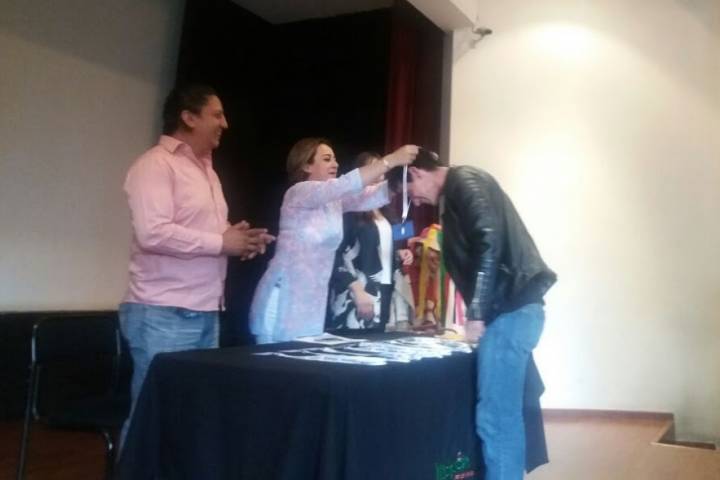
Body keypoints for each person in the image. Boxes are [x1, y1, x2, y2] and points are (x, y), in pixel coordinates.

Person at [119, 84, 274, 446]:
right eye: (216, 115)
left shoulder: (208, 171)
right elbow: (153, 233)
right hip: (163, 313)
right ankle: (133, 471)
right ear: (188, 117)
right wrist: (221, 242)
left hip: (204, 310)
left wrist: (238, 240)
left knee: (188, 420)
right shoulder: (155, 165)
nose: (225, 123)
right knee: (154, 419)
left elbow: (203, 232)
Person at [388, 150, 556, 480]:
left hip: (509, 313)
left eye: (411, 193)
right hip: (511, 312)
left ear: (417, 173)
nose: (416, 202)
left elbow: (488, 242)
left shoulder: (466, 182)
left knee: (497, 418)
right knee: (501, 415)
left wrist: (476, 313)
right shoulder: (458, 191)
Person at [249, 139, 417, 344]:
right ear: (306, 165)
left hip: (312, 303)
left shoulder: (334, 202)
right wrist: (391, 160)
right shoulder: (298, 192)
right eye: (327, 159)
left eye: (335, 159)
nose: (335, 164)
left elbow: (369, 196)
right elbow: (344, 185)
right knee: (275, 360)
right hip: (283, 296)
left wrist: (401, 179)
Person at [327, 152, 413, 332]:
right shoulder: (348, 210)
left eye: (382, 171)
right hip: (357, 294)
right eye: (374, 169)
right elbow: (335, 255)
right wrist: (357, 290)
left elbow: (388, 245)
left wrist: (401, 253)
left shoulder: (387, 211)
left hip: (385, 290)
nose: (380, 176)